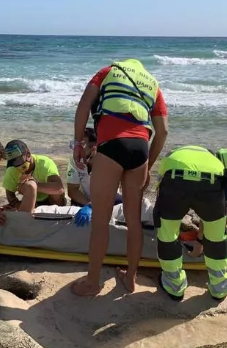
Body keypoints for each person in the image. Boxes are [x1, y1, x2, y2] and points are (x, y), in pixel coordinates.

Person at [71, 58, 168, 296]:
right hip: (140, 149)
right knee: (133, 222)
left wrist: (77, 142)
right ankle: (131, 278)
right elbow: (163, 131)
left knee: (100, 221)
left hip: (112, 144)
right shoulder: (152, 84)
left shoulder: (106, 72)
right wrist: (148, 166)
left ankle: (93, 282)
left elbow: (84, 106)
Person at [154, 145, 227, 301]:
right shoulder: (215, 161)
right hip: (213, 183)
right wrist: (201, 237)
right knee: (217, 238)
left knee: (168, 236)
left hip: (175, 181)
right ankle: (219, 288)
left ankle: (174, 286)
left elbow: (160, 187)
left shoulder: (171, 157)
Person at [67, 127, 122, 209]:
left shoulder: (110, 161)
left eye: (81, 146)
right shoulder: (75, 161)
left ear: (94, 148)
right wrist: (89, 204)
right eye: (75, 145)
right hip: (84, 200)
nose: (76, 150)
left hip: (110, 199)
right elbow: (72, 191)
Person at [3, 140, 65, 213]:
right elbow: (10, 195)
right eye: (13, 163)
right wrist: (18, 205)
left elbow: (59, 189)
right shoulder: (12, 169)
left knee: (56, 194)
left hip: (50, 200)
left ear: (28, 154)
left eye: (19, 161)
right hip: (33, 203)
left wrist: (33, 185)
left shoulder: (45, 163)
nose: (17, 166)